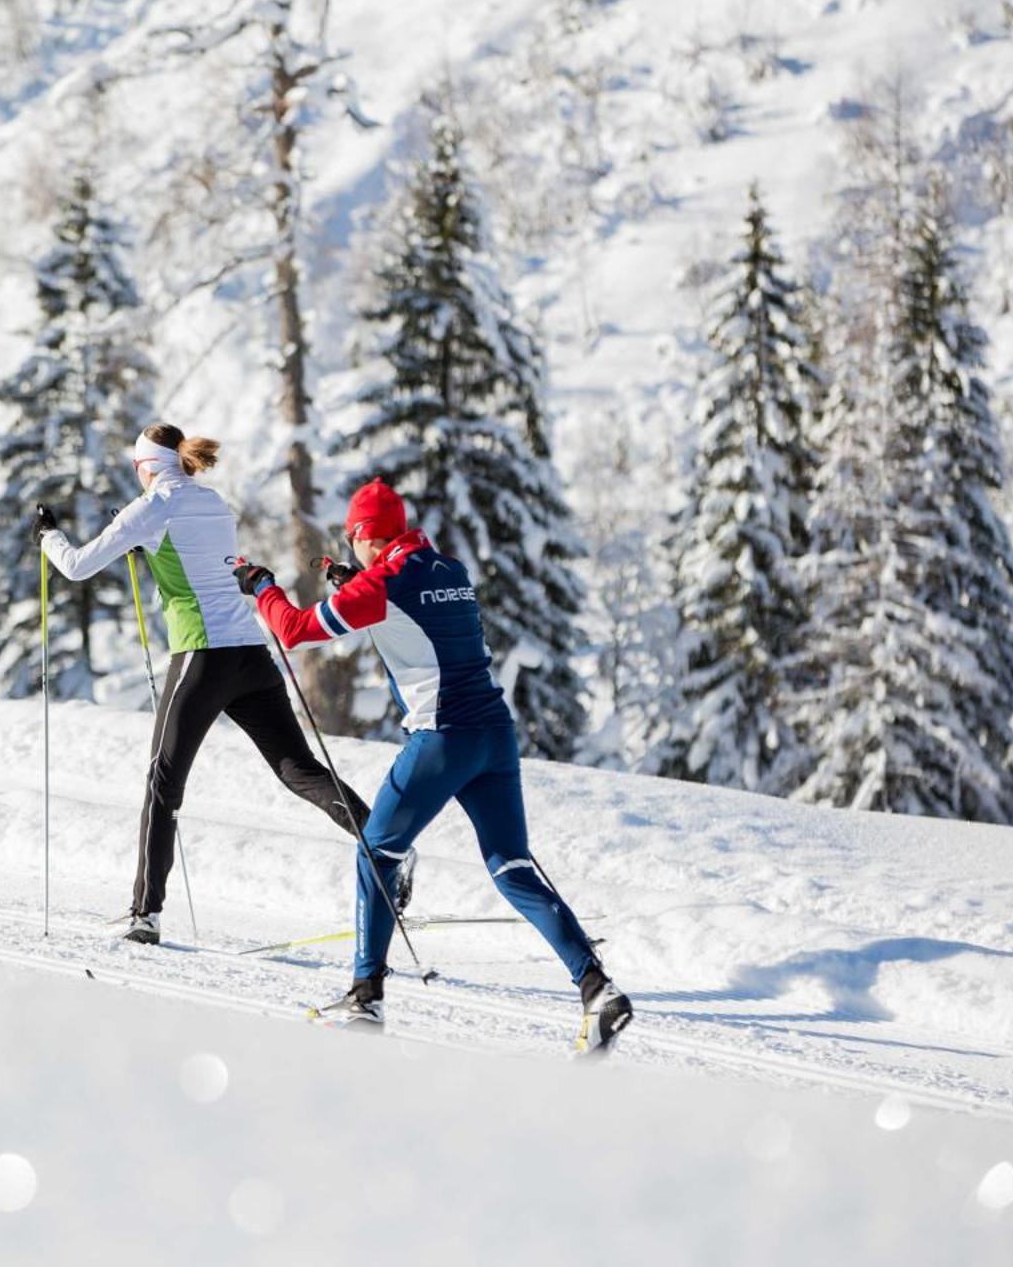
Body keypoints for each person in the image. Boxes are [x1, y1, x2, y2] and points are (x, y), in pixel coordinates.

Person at [233, 478, 632, 1052]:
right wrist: (358, 585)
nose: (351, 549)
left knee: (376, 851)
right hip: (495, 735)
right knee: (511, 866)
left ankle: (365, 997)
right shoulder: (449, 570)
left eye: (353, 539)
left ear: (367, 535)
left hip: (443, 737)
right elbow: (416, 617)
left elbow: (293, 632)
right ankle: (598, 989)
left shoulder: (384, 582)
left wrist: (262, 586)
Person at [36, 424, 410, 944]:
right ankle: (384, 843)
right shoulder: (212, 500)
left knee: (162, 784)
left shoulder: (152, 507)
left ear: (144, 466)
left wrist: (48, 536)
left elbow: (76, 567)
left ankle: (145, 915)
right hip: (251, 655)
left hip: (200, 657)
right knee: (298, 768)